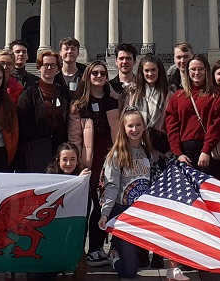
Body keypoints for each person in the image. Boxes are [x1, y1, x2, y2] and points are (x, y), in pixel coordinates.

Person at [125, 55, 186, 281]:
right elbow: (126, 121)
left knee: (161, 206)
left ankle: (160, 251)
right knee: (140, 203)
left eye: (153, 70)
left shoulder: (169, 93)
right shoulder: (134, 93)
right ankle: (142, 250)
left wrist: (165, 148)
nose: (150, 74)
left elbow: (173, 124)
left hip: (162, 155)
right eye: (146, 71)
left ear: (159, 71)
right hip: (139, 154)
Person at [70, 59, 120, 268]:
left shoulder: (112, 101)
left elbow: (118, 130)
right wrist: (79, 162)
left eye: (102, 73)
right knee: (85, 206)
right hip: (88, 159)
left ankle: (96, 248)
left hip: (108, 157)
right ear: (88, 76)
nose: (99, 76)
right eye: (95, 73)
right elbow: (74, 137)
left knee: (102, 205)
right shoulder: (79, 104)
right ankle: (77, 250)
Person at [98, 108, 156, 281]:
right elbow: (111, 186)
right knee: (130, 272)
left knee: (141, 261)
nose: (134, 129)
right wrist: (105, 213)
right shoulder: (116, 155)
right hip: (122, 213)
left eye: (138, 125)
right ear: (123, 127)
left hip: (141, 213)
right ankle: (114, 255)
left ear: (144, 126)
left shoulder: (147, 151)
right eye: (130, 125)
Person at [164, 54, 220, 185]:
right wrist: (178, 153)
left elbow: (218, 124)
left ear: (206, 71)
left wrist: (206, 150)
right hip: (185, 152)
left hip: (209, 150)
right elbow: (171, 126)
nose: (196, 73)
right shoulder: (178, 96)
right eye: (193, 69)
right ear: (187, 71)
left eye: (200, 69)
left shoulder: (216, 94)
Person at [27, 142, 89, 281]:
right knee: (35, 277)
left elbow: (84, 215)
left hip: (71, 233)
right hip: (50, 234)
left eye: (72, 159)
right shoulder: (49, 176)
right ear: (58, 160)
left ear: (78, 161)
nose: (68, 163)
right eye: (64, 159)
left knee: (81, 270)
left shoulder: (83, 178)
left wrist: (82, 182)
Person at [17, 50, 71, 172]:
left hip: (58, 145)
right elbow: (23, 120)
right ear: (39, 68)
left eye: (53, 65)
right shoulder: (29, 92)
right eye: (46, 65)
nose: (49, 68)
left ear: (58, 68)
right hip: (36, 147)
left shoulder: (63, 92)